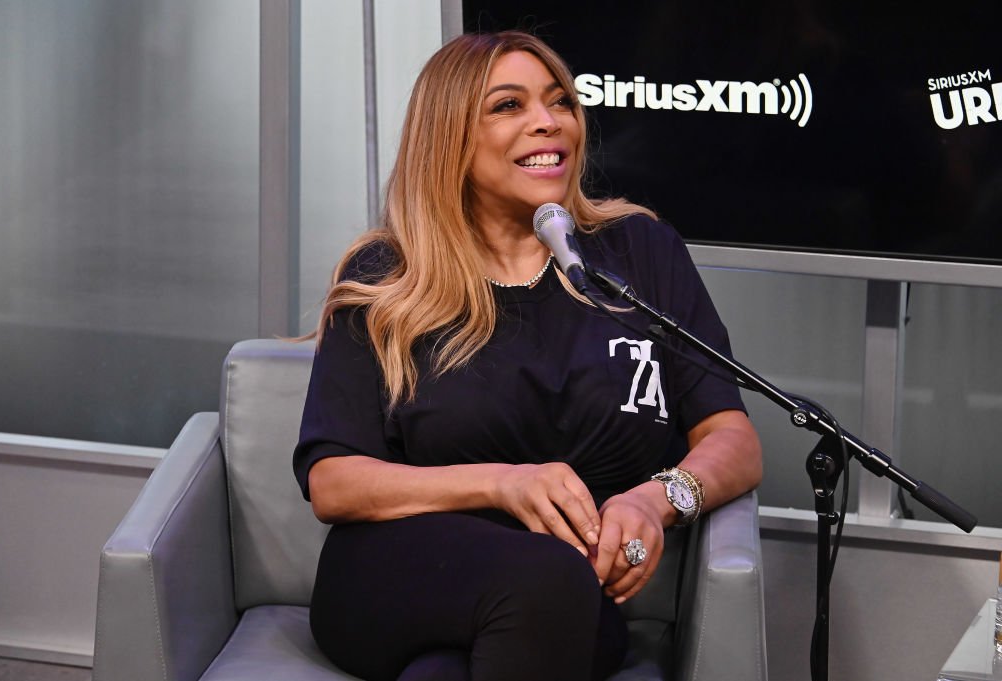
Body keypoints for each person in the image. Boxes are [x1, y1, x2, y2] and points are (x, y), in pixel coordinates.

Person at [293, 31, 762, 681]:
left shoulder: (638, 254)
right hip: (395, 574)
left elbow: (733, 436)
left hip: (572, 594)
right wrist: (503, 482)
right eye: (508, 105)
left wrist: (659, 498)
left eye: (559, 101)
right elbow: (332, 481)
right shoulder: (386, 278)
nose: (549, 121)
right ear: (450, 138)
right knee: (543, 577)